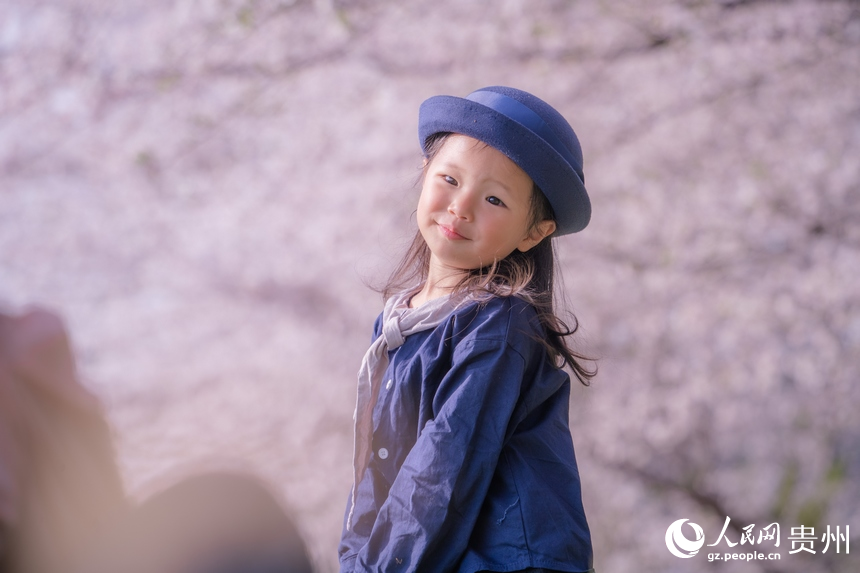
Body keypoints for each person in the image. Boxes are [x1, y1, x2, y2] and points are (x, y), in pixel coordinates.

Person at [338, 86, 596, 573]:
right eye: (450, 178)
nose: (462, 206)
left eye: (494, 198)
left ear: (532, 232)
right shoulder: (401, 321)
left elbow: (443, 469)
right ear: (424, 174)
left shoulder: (497, 325)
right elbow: (383, 466)